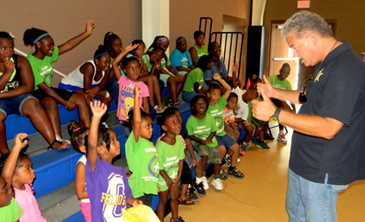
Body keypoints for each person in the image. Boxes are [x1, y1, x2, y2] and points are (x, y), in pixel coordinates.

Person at [251, 11, 365, 222]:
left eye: (294, 47)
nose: (294, 55)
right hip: (304, 162)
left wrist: (275, 113)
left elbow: (329, 128)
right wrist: (275, 93)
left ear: (312, 37)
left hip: (322, 169)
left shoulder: (345, 68)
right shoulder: (327, 61)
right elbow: (307, 97)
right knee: (296, 215)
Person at [0, 31, 68, 155]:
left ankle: (53, 142)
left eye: (11, 48)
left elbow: (28, 87)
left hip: (17, 96)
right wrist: (7, 73)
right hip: (1, 102)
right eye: (4, 48)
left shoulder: (20, 61)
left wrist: (2, 94)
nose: (8, 52)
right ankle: (5, 153)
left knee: (32, 103)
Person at [23, 22, 93, 141]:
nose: (52, 48)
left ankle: (89, 133)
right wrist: (65, 103)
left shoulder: (48, 54)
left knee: (80, 99)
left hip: (48, 88)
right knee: (51, 103)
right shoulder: (30, 61)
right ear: (38, 44)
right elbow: (43, 88)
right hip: (37, 91)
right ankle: (57, 139)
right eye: (49, 45)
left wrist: (86, 33)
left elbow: (68, 45)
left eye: (52, 45)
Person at [86, 100, 142, 221]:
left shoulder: (120, 172)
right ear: (100, 148)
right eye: (112, 140)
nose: (117, 143)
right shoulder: (96, 168)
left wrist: (133, 201)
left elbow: (126, 196)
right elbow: (91, 145)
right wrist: (96, 118)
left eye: (116, 139)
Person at [125, 88, 159, 207]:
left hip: (147, 187)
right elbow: (138, 123)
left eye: (151, 126)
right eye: (147, 126)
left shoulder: (149, 143)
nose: (151, 129)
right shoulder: (135, 142)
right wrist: (136, 98)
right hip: (138, 190)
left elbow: (154, 165)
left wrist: (155, 184)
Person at [1, 133, 46, 222]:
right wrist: (17, 148)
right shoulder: (11, 194)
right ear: (13, 176)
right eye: (27, 169)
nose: (32, 171)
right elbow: (7, 175)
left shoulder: (27, 185)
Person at [206, 75, 244, 179]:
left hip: (222, 133)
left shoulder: (221, 103)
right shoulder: (205, 107)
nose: (217, 97)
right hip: (213, 135)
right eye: (214, 94)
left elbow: (228, 89)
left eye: (219, 94)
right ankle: (218, 169)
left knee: (236, 148)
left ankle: (232, 168)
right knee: (222, 149)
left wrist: (219, 80)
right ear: (208, 94)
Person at [186, 95, 225, 191]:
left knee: (217, 158)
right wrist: (200, 141)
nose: (201, 105)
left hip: (210, 141)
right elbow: (190, 135)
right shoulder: (191, 120)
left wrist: (209, 138)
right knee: (204, 154)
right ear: (193, 106)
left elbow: (214, 130)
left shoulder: (210, 118)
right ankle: (203, 177)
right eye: (198, 103)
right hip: (198, 142)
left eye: (203, 103)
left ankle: (216, 178)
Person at [156, 108, 185, 222]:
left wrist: (179, 176)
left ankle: (175, 218)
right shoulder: (161, 145)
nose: (177, 124)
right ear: (165, 128)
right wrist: (167, 179)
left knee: (174, 198)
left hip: (174, 176)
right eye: (173, 123)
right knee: (163, 201)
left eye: (178, 121)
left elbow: (181, 159)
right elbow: (158, 166)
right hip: (164, 178)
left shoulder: (179, 141)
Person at [172, 107, 204, 198]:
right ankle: (188, 187)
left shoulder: (183, 129)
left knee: (198, 161)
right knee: (189, 165)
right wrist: (182, 155)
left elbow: (188, 143)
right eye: (176, 118)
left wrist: (193, 156)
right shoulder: (170, 132)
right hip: (178, 154)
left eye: (180, 117)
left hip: (186, 151)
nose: (179, 120)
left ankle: (198, 182)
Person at [113, 53, 149, 129]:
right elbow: (114, 64)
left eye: (137, 68)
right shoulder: (122, 81)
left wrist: (147, 120)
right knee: (130, 137)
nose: (135, 71)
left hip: (136, 118)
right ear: (125, 70)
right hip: (124, 118)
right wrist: (126, 51)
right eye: (131, 69)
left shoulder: (143, 86)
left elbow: (145, 105)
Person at [147, 36, 185, 106]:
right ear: (158, 44)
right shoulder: (154, 52)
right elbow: (160, 68)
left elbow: (169, 66)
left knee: (181, 78)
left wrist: (176, 74)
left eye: (167, 47)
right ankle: (174, 102)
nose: (165, 49)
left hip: (165, 73)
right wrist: (171, 76)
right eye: (164, 46)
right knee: (172, 79)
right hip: (158, 73)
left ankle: (172, 99)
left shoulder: (163, 53)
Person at [131, 40, 166, 113]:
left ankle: (159, 105)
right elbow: (136, 74)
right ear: (133, 50)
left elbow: (146, 72)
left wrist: (141, 71)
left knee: (153, 77)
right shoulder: (131, 58)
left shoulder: (142, 57)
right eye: (138, 49)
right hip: (132, 79)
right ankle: (152, 105)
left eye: (143, 49)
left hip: (139, 77)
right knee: (150, 79)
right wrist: (141, 64)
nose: (141, 51)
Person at [67, 120, 91, 222]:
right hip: (91, 204)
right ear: (83, 148)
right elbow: (80, 193)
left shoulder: (101, 158)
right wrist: (102, 190)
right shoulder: (82, 165)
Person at [267, 63, 296, 144]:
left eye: (287, 73)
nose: (285, 74)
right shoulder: (271, 79)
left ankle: (281, 132)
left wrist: (294, 109)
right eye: (283, 72)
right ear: (280, 71)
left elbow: (290, 97)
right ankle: (263, 131)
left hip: (280, 102)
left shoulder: (287, 84)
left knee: (287, 111)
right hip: (269, 100)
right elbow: (265, 93)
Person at [103, 32, 123, 106]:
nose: (119, 47)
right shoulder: (106, 57)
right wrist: (117, 60)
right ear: (110, 46)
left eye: (120, 45)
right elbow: (110, 78)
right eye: (116, 45)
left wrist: (121, 58)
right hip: (107, 82)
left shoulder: (121, 56)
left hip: (118, 79)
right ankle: (122, 110)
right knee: (116, 84)